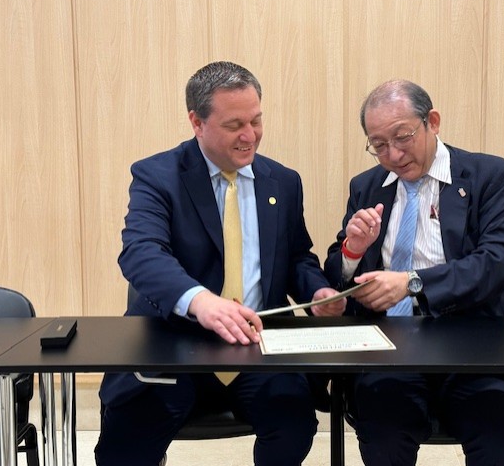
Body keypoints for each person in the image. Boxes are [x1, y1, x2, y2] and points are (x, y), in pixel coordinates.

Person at [95, 61, 345, 466]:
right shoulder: (158, 176)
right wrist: (200, 301)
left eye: (256, 121)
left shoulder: (282, 180)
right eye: (234, 125)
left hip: (257, 345)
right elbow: (141, 252)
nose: (250, 136)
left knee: (293, 423)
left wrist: (317, 291)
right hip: (174, 342)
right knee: (128, 437)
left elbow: (297, 255)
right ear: (197, 122)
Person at [324, 79, 504, 466]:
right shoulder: (366, 186)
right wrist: (353, 250)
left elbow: (501, 261)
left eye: (402, 137)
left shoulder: (488, 177)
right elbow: (336, 273)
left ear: (432, 121)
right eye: (378, 145)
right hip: (389, 351)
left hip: (474, 349)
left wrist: (413, 283)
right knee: (383, 436)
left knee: (497, 434)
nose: (393, 154)